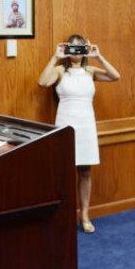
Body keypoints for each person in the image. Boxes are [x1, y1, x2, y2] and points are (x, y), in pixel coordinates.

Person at [38, 34, 120, 233]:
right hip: (66, 124)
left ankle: (84, 214)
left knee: (85, 171)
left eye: (80, 48)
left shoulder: (90, 70)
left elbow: (115, 76)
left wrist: (98, 56)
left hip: (86, 125)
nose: (76, 52)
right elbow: (42, 82)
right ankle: (64, 215)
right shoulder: (60, 70)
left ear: (85, 49)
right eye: (72, 48)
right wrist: (55, 57)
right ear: (67, 49)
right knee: (64, 173)